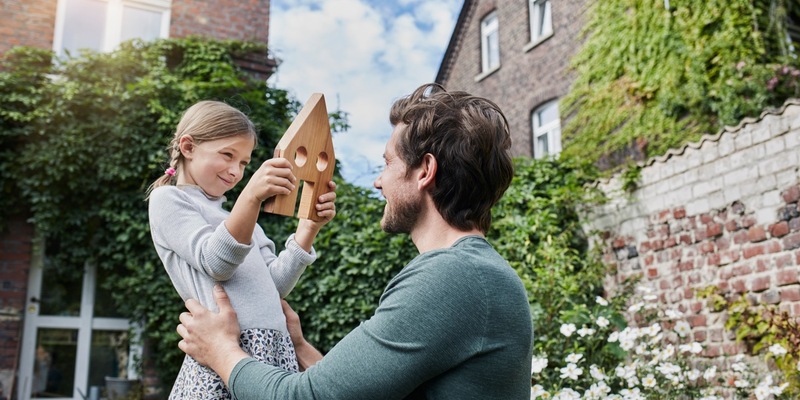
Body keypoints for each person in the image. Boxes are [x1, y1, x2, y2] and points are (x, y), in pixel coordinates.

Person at [176, 84, 533, 399]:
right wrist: (300, 347)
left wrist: (219, 350)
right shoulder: (473, 272)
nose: (378, 182)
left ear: (425, 171)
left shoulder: (451, 278)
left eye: (388, 163)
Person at [147, 100, 337, 399]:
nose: (236, 172)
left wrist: (307, 229)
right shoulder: (169, 200)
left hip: (275, 348)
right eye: (228, 155)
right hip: (226, 349)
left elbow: (274, 286)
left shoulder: (243, 221)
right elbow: (215, 262)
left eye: (244, 163)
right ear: (188, 147)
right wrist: (250, 198)